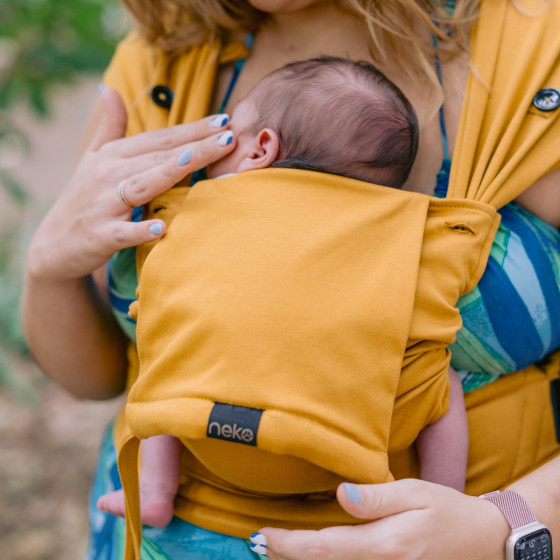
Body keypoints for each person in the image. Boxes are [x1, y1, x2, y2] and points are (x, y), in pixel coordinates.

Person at [21, 1, 560, 559]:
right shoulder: (170, 55)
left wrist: (509, 528)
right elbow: (102, 376)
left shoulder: (534, 48)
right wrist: (50, 263)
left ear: (260, 147)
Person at [94, 55, 468, 529]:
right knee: (444, 382)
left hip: (200, 427)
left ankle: (153, 493)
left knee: (162, 347)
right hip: (340, 450)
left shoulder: (195, 209)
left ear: (260, 148)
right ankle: (439, 500)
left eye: (233, 130)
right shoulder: (396, 230)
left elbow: (153, 298)